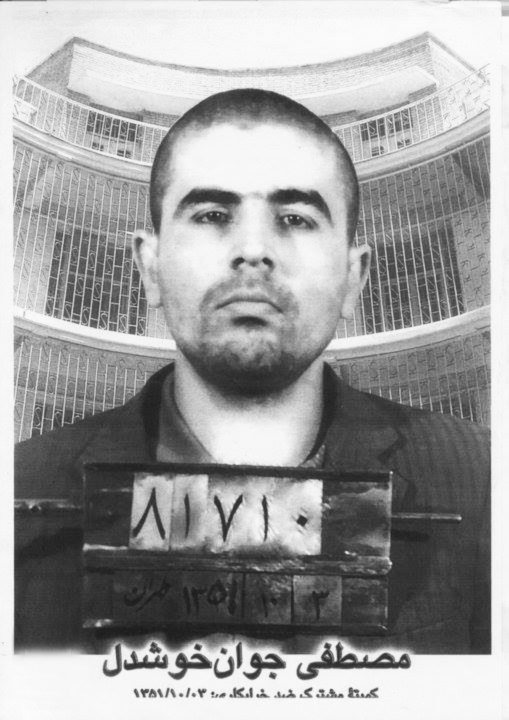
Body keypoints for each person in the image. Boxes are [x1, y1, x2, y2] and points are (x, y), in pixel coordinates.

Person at [15, 89, 490, 654]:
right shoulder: (19, 485)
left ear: (353, 278)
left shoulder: (484, 478)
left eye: (295, 218)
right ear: (150, 268)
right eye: (213, 215)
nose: (253, 250)